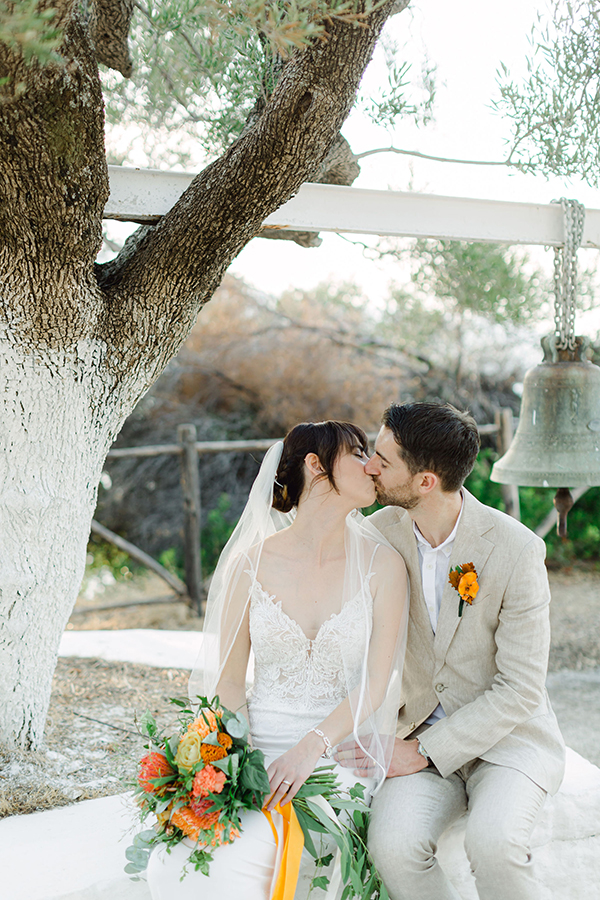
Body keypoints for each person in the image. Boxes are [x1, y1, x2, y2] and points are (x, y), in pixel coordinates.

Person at [147, 421, 409, 900]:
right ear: (315, 464)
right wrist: (235, 764)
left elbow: (376, 683)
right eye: (357, 453)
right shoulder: (250, 563)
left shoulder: (383, 565)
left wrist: (312, 747)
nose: (372, 465)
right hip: (259, 750)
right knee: (181, 862)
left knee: (273, 852)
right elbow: (228, 682)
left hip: (338, 753)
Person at [338, 401, 565, 900]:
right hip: (416, 726)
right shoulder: (375, 536)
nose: (369, 467)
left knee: (494, 844)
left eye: (383, 459)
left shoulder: (517, 550)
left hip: (509, 743)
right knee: (393, 848)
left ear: (425, 482)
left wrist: (422, 751)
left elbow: (520, 690)